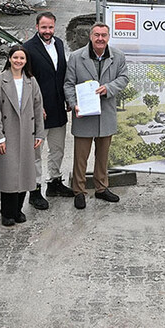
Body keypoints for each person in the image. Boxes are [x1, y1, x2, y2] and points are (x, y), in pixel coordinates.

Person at [64, 22, 129, 209]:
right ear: (91, 37)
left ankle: (101, 188)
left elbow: (123, 78)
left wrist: (108, 88)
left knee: (103, 156)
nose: (100, 38)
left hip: (106, 113)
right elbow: (68, 84)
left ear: (108, 37)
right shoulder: (76, 57)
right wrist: (73, 104)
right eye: (97, 35)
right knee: (80, 157)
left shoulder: (118, 56)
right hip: (84, 114)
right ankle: (79, 191)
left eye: (104, 35)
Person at [0, 45, 46, 226]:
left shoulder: (31, 81)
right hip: (8, 132)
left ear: (26, 61)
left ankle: (18, 210)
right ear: (9, 59)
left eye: (22, 58)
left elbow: (38, 107)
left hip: (27, 132)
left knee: (25, 173)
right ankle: (7, 212)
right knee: (9, 174)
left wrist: (39, 135)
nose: (18, 61)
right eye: (15, 58)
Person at [23, 11, 71, 208]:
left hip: (58, 108)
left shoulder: (59, 43)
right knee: (35, 153)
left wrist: (68, 99)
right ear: (37, 27)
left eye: (50, 27)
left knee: (57, 149)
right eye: (44, 27)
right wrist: (36, 106)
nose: (47, 31)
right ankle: (34, 190)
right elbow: (26, 81)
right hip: (39, 111)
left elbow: (62, 74)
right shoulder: (28, 49)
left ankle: (55, 182)